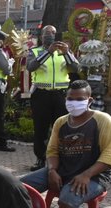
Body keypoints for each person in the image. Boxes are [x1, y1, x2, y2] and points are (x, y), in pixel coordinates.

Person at [21, 80, 111, 208]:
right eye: (70, 98)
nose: (74, 103)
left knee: (66, 200)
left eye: (79, 99)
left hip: (95, 175)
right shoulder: (61, 122)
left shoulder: (103, 120)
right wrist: (51, 171)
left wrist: (86, 174)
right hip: (62, 168)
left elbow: (109, 155)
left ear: (89, 100)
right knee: (19, 188)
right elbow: (52, 151)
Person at [27, 25, 80, 171]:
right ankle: (40, 159)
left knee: (63, 128)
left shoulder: (65, 52)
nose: (50, 35)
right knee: (41, 128)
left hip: (61, 95)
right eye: (47, 33)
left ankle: (63, 160)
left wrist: (67, 53)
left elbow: (76, 69)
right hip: (41, 95)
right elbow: (30, 67)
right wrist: (48, 52)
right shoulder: (35, 51)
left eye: (53, 33)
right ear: (41, 36)